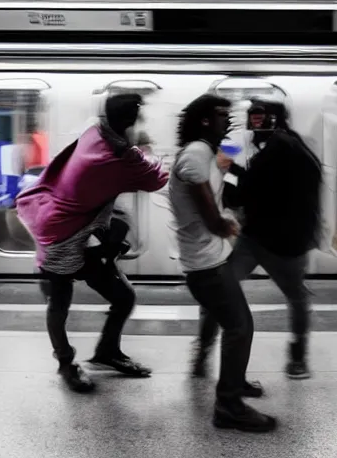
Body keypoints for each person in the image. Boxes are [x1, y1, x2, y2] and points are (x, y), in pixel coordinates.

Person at [16, 93, 168, 393]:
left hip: (74, 224)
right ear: (131, 118)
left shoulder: (93, 132)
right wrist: (145, 151)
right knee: (59, 303)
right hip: (60, 233)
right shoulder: (119, 157)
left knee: (123, 297)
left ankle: (107, 352)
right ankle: (65, 364)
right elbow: (156, 179)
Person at [168, 93, 276, 432]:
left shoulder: (210, 150)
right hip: (205, 266)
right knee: (240, 327)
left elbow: (230, 166)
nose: (227, 120)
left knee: (233, 322)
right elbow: (214, 221)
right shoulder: (195, 156)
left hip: (215, 259)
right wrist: (240, 226)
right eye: (220, 115)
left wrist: (242, 155)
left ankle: (235, 381)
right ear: (203, 120)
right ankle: (228, 406)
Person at [192, 100, 322, 381]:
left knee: (293, 295)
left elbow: (249, 186)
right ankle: (203, 351)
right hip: (258, 237)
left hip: (282, 243)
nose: (257, 123)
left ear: (277, 120)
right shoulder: (246, 140)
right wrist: (229, 171)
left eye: (263, 118)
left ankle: (297, 356)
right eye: (254, 117)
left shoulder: (286, 147)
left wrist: (235, 180)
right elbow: (225, 164)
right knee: (292, 296)